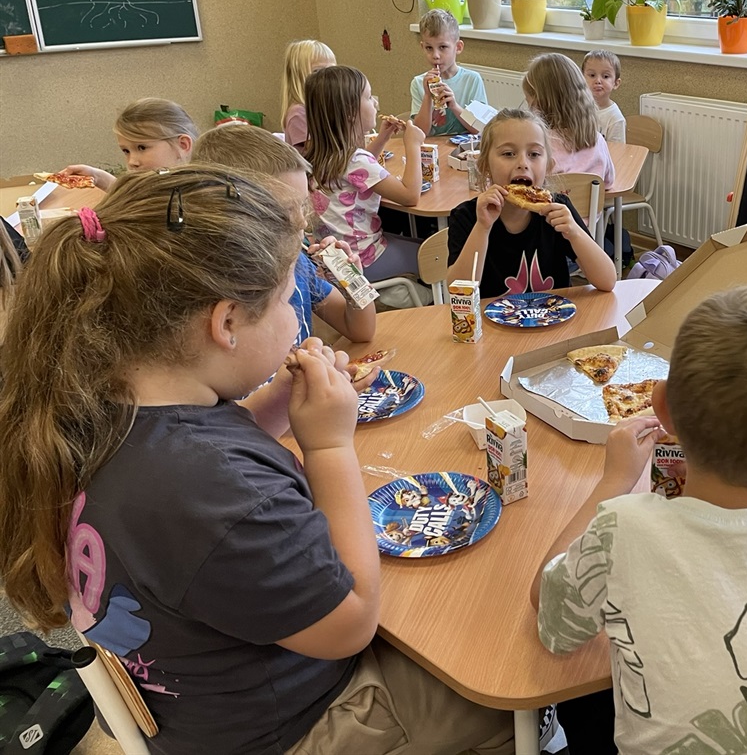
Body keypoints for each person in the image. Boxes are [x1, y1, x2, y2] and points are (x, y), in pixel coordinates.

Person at [0, 166, 514, 755]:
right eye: (288, 299)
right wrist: (329, 446)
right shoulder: (214, 490)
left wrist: (274, 404)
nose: (296, 317)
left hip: (193, 703)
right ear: (225, 324)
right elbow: (351, 625)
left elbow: (201, 445)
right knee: (494, 690)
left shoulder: (88, 405)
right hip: (288, 727)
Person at [533, 286, 747, 754]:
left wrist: (613, 480)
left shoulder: (622, 530)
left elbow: (550, 615)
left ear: (661, 408)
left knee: (584, 707)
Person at [192, 123, 377, 347]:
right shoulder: (222, 293)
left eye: (303, 205)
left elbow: (361, 331)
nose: (302, 222)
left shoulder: (297, 262)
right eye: (285, 211)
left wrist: (352, 281)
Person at [445, 108, 616, 297]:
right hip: (489, 316)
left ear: (549, 166)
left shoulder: (558, 210)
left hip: (553, 314)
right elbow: (460, 292)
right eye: (508, 153)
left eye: (534, 154)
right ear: (485, 165)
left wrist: (574, 233)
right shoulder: (468, 216)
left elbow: (607, 281)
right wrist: (482, 228)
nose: (523, 163)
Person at [305, 65, 425, 283]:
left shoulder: (323, 153)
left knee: (417, 243)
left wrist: (382, 138)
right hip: (362, 260)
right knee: (434, 253)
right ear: (350, 113)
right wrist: (413, 145)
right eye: (369, 97)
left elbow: (357, 174)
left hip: (335, 259)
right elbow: (410, 195)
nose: (375, 103)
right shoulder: (355, 159)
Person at [60, 98, 198, 190]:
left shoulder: (191, 193)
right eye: (126, 151)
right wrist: (96, 176)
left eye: (142, 147)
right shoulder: (159, 182)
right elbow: (137, 198)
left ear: (183, 145)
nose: (132, 162)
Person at [522, 52, 615, 189]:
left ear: (538, 103)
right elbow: (608, 183)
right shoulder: (597, 140)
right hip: (589, 204)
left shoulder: (537, 146)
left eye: (528, 101)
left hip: (546, 203)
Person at [409, 9, 486, 137]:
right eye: (429, 48)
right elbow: (420, 133)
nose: (435, 55)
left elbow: (480, 129)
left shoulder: (472, 80)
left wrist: (454, 106)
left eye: (443, 47)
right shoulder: (418, 83)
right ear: (422, 47)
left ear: (458, 47)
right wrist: (428, 96)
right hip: (432, 147)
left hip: (466, 146)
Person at [280, 39, 336, 148]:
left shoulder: (327, 109)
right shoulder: (299, 113)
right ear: (298, 77)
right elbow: (324, 155)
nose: (328, 77)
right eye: (317, 71)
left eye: (332, 70)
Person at [582, 49, 626, 144]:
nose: (598, 81)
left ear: (616, 83)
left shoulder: (615, 118)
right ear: (582, 79)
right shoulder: (575, 108)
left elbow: (617, 150)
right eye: (592, 75)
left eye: (605, 76)